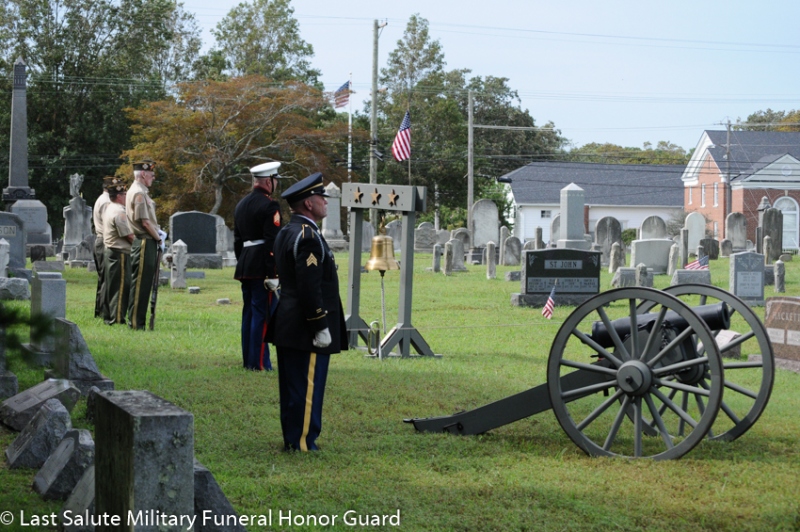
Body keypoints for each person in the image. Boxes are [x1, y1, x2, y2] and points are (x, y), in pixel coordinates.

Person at [270, 172, 348, 452]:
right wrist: (320, 325)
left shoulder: (288, 231)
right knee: (307, 387)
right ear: (308, 204)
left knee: (293, 386)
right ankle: (302, 441)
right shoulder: (308, 237)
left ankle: (294, 437)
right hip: (305, 326)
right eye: (320, 198)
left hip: (289, 320)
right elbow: (309, 286)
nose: (325, 202)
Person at [233, 161, 284, 371]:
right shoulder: (270, 205)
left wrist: (243, 261)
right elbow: (272, 242)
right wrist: (274, 272)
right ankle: (259, 363)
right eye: (275, 180)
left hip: (246, 265)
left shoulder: (241, 204)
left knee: (249, 314)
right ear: (268, 181)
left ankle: (249, 360)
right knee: (262, 316)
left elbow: (238, 241)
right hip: (262, 267)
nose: (276, 183)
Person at [126, 160, 166, 330]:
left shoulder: (140, 191)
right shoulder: (139, 193)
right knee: (140, 285)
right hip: (144, 242)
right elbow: (145, 222)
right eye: (151, 174)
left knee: (143, 284)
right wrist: (159, 238)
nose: (153, 178)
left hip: (146, 240)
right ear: (143, 174)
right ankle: (136, 323)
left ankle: (138, 321)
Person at [100, 177, 134, 325]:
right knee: (121, 287)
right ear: (119, 196)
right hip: (120, 253)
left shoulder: (110, 208)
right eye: (125, 194)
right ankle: (117, 318)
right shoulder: (119, 212)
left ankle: (109, 316)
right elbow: (129, 236)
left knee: (112, 286)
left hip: (112, 251)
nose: (127, 197)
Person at [92, 184, 111, 318]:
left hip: (101, 240)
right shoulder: (106, 202)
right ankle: (104, 312)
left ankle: (100, 311)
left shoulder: (102, 199)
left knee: (103, 279)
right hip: (104, 240)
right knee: (106, 279)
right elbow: (108, 225)